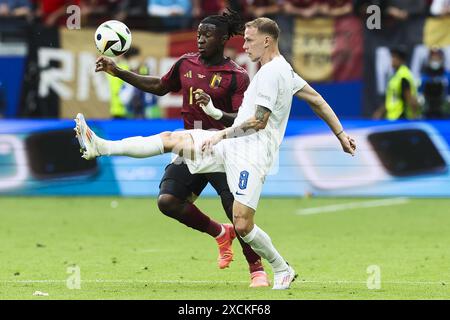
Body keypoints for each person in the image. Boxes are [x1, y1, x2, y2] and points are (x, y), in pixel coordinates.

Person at [76, 17, 356, 289]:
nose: (244, 46)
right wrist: (341, 135)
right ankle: (100, 147)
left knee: (243, 224)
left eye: (249, 41)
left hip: (250, 154)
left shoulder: (270, 74)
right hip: (229, 144)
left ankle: (279, 267)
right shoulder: (282, 69)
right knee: (171, 139)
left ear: (267, 40)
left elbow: (259, 121)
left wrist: (221, 132)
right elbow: (316, 100)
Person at [94, 10, 270, 287]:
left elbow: (242, 120)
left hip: (223, 149)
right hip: (190, 147)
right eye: (199, 34)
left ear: (223, 38)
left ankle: (256, 268)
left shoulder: (237, 76)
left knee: (235, 212)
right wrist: (117, 71)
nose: (200, 39)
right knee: (168, 202)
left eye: (207, 34)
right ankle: (220, 234)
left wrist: (213, 111)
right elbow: (160, 86)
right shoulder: (186, 63)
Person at [373, 45, 420, 120]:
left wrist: (414, 118)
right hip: (393, 118)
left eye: (394, 57)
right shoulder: (395, 76)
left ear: (401, 60)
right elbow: (391, 100)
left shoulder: (403, 76)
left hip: (401, 117)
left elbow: (410, 99)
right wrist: (380, 112)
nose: (392, 60)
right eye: (392, 57)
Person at [419, 47, 450, 119]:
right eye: (433, 57)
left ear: (442, 58)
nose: (435, 60)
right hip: (427, 113)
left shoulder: (447, 76)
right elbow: (419, 92)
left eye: (437, 57)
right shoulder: (424, 76)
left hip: (445, 114)